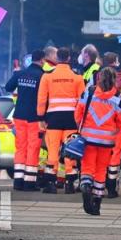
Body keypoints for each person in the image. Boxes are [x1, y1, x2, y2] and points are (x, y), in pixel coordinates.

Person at [75, 67, 121, 216]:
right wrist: (114, 132)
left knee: (87, 167)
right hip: (107, 141)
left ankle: (86, 185)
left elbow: (78, 112)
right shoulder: (119, 98)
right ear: (114, 79)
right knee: (101, 170)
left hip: (88, 138)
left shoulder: (89, 92)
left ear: (98, 78)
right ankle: (97, 202)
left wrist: (82, 127)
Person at [36, 46, 86, 194]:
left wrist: (41, 117)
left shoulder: (47, 76)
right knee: (71, 151)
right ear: (69, 59)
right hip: (71, 119)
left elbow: (41, 99)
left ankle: (51, 183)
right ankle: (70, 184)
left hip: (53, 118)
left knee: (52, 151)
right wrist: (80, 120)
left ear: (57, 58)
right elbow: (82, 102)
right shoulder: (77, 78)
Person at [4, 49, 46, 191]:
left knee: (20, 148)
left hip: (19, 116)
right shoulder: (42, 76)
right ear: (42, 60)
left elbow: (8, 87)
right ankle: (29, 182)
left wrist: (16, 74)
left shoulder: (20, 74)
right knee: (33, 148)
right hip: (35, 117)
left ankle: (18, 181)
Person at [101, 52, 121, 198]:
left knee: (100, 156)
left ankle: (99, 186)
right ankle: (112, 187)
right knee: (115, 156)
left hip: (99, 123)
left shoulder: (97, 75)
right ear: (116, 61)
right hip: (117, 123)